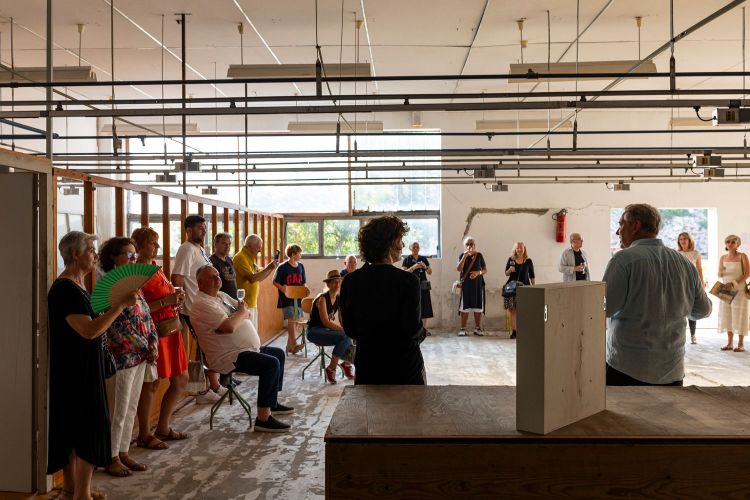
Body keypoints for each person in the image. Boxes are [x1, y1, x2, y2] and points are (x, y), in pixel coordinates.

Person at [48, 231, 137, 500]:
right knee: (89, 428)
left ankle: (72, 490)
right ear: (75, 255)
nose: (96, 254)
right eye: (90, 250)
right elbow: (88, 331)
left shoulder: (78, 285)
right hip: (77, 370)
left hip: (81, 366)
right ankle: (81, 494)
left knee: (75, 429)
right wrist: (120, 306)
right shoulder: (65, 289)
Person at [603, 204, 712, 386]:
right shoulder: (684, 263)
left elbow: (604, 308)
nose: (618, 231)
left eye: (621, 224)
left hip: (627, 367)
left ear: (635, 225)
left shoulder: (623, 260)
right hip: (672, 371)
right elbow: (702, 310)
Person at [190, 265, 293, 432]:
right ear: (200, 283)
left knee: (279, 354)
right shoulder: (202, 304)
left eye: (217, 275)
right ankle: (263, 419)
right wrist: (237, 316)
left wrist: (237, 316)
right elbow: (230, 326)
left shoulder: (221, 296)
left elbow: (246, 312)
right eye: (211, 277)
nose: (217, 278)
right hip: (228, 356)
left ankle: (271, 403)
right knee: (271, 364)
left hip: (244, 349)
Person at [340, 215, 426, 385]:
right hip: (404, 367)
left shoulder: (350, 281)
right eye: (400, 240)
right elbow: (412, 329)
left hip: (369, 366)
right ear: (390, 244)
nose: (402, 245)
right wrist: (422, 333)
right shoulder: (408, 281)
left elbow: (349, 329)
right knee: (411, 403)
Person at [98, 237, 159, 477]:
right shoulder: (108, 286)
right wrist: (145, 345)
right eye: (128, 254)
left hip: (141, 356)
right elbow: (117, 326)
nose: (133, 259)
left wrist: (153, 342)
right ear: (114, 258)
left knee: (131, 407)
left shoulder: (135, 286)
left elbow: (146, 317)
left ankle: (123, 451)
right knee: (118, 410)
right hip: (121, 357)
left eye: (135, 254)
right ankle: (110, 456)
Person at [131, 227, 189, 450]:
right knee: (151, 383)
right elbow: (138, 308)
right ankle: (144, 433)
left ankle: (163, 426)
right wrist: (167, 301)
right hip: (153, 332)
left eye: (157, 243)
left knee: (181, 379)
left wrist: (175, 298)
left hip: (170, 329)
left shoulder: (156, 267)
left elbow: (165, 296)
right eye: (152, 243)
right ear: (139, 246)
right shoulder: (136, 272)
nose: (157, 247)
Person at [171, 215, 226, 404]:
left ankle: (211, 385)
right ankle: (200, 392)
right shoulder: (186, 249)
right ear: (188, 230)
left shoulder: (199, 249)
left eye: (204, 227)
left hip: (204, 306)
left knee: (205, 349)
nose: (203, 231)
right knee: (200, 351)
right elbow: (177, 278)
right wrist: (178, 308)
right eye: (199, 228)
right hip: (192, 309)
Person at [306, 270, 354, 384]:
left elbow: (342, 319)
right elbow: (326, 322)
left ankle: (346, 364)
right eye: (334, 282)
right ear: (328, 284)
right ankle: (332, 368)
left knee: (350, 335)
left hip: (325, 331)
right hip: (314, 331)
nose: (337, 284)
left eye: (338, 281)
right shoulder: (322, 299)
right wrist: (344, 331)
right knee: (344, 336)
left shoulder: (338, 298)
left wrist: (349, 330)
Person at [233, 234, 278, 333]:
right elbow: (252, 278)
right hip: (244, 303)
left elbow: (259, 277)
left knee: (253, 333)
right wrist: (268, 268)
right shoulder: (240, 257)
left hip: (252, 302)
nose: (260, 250)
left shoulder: (250, 257)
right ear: (249, 246)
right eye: (258, 247)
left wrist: (271, 268)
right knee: (248, 335)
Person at [272, 244, 307, 354]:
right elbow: (275, 281)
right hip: (286, 299)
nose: (301, 255)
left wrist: (304, 290)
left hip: (298, 298)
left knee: (295, 321)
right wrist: (283, 289)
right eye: (299, 253)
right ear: (293, 254)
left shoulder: (301, 266)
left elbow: (303, 282)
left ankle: (289, 346)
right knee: (291, 319)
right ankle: (294, 344)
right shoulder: (282, 267)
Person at [718, 234, 749, 352]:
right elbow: (720, 274)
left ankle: (741, 344)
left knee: (740, 314)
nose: (730, 244)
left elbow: (747, 273)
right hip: (725, 288)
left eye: (733, 242)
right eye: (728, 242)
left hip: (739, 289)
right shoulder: (722, 257)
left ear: (738, 244)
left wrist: (733, 283)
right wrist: (720, 272)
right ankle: (729, 343)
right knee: (727, 315)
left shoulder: (742, 256)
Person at [677, 232, 705, 345]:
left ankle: (693, 335)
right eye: (681, 239)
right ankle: (680, 335)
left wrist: (702, 283)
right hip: (679, 284)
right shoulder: (676, 253)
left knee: (692, 310)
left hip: (692, 284)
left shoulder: (695, 253)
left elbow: (699, 269)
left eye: (685, 239)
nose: (683, 241)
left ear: (689, 240)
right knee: (680, 309)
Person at [456, 236, 487, 337]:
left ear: (474, 245)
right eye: (467, 244)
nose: (469, 246)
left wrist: (478, 273)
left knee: (478, 307)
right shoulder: (462, 255)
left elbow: (485, 269)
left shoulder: (479, 255)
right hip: (466, 286)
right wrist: (464, 257)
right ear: (465, 246)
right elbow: (459, 269)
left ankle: (477, 328)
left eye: (471, 244)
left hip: (478, 285)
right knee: (465, 307)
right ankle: (463, 328)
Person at [504, 241, 535, 339]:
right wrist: (510, 270)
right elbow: (506, 273)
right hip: (512, 289)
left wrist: (533, 288)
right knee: (513, 310)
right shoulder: (511, 260)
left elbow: (532, 276)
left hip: (525, 288)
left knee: (524, 310)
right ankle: (515, 332)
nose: (519, 249)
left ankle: (524, 330)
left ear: (524, 248)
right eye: (517, 248)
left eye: (521, 247)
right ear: (515, 249)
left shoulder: (528, 261)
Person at [402, 241, 433, 335]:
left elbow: (430, 272)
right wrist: (414, 267)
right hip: (412, 287)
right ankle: (415, 329)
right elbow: (403, 273)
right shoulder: (407, 259)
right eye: (414, 247)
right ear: (410, 248)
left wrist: (425, 267)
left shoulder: (423, 259)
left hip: (423, 286)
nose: (415, 248)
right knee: (413, 307)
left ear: (419, 248)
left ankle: (424, 329)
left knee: (425, 307)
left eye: (417, 247)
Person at [209, 232, 238, 300]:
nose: (227, 246)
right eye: (224, 243)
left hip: (233, 300)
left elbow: (232, 279)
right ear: (215, 244)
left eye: (229, 244)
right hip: (222, 301)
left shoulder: (229, 260)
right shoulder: (211, 262)